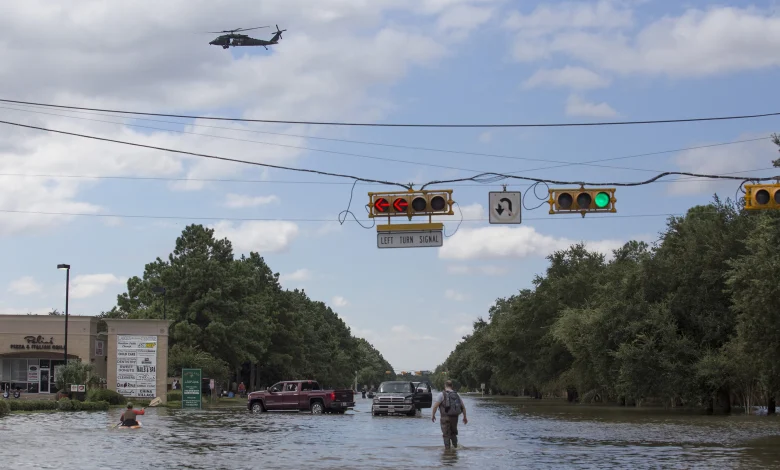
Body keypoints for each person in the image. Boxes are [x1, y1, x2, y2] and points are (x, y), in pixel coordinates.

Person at [431, 380, 467, 450]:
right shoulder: (457, 394)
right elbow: (463, 407)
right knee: (453, 433)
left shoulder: (441, 394)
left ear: (445, 386)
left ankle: (447, 451)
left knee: (446, 435)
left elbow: (435, 406)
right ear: (452, 386)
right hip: (455, 417)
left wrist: (433, 415)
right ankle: (455, 448)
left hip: (445, 417)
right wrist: (465, 417)